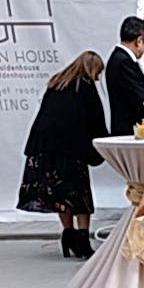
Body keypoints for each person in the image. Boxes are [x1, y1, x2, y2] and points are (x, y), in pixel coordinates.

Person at [17, 51, 107, 259]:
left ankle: (68, 235)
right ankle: (83, 240)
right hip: (70, 148)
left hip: (44, 147)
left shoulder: (56, 82)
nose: (97, 78)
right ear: (91, 69)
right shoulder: (84, 85)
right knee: (80, 195)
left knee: (59, 194)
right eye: (98, 73)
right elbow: (94, 119)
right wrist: (102, 145)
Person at [105, 16, 144, 136]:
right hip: (130, 130)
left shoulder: (118, 57)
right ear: (139, 41)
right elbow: (140, 97)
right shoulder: (124, 61)